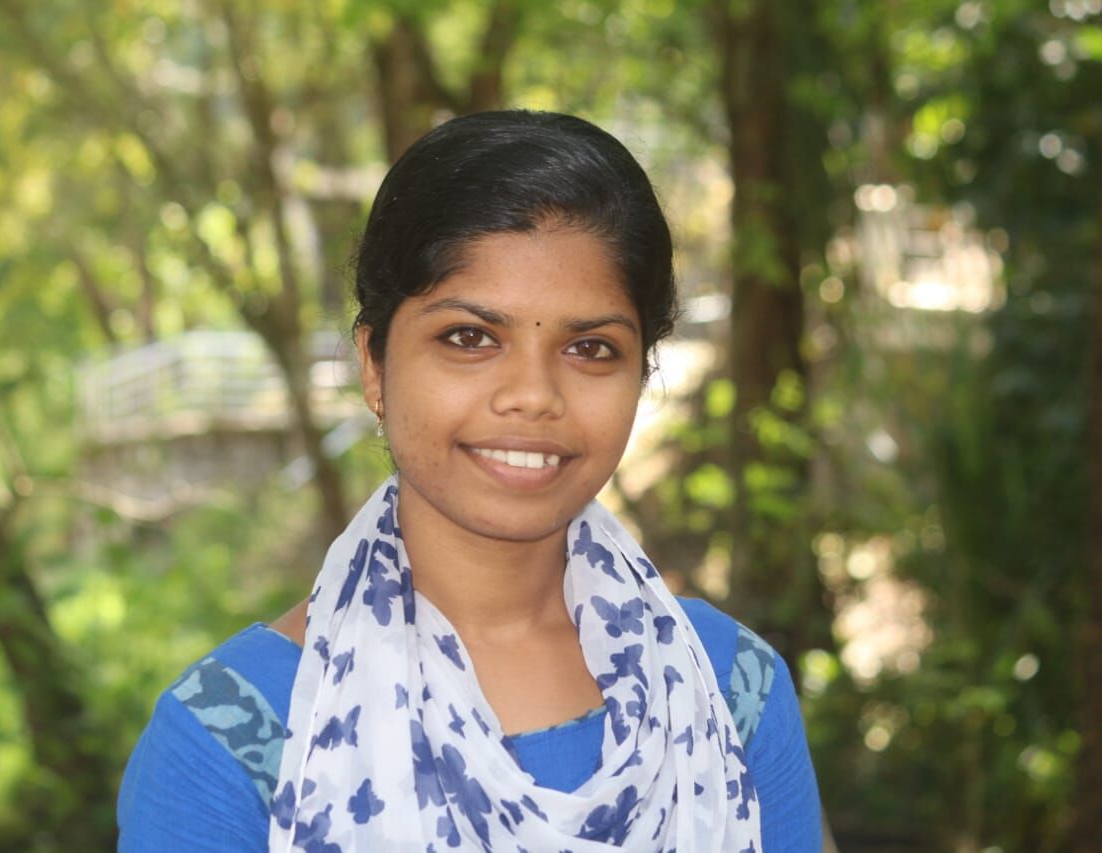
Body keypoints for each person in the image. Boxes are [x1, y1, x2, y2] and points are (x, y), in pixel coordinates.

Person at [118, 110, 822, 851]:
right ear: (374, 364)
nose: (533, 395)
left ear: (641, 374)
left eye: (590, 348)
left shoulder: (728, 692)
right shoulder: (232, 743)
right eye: (470, 337)